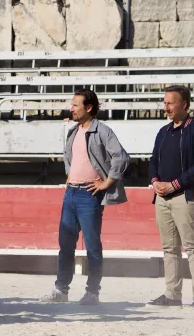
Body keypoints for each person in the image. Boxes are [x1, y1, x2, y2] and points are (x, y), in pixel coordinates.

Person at [41, 89, 129, 305]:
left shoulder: (102, 131)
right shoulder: (73, 131)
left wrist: (107, 182)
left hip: (90, 194)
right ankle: (61, 290)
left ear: (88, 108)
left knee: (92, 246)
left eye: (75, 105)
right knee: (65, 245)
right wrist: (71, 178)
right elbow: (71, 159)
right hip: (71, 192)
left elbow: (121, 157)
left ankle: (92, 293)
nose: (71, 109)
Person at [146, 85, 194, 311]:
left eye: (170, 103)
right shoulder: (163, 132)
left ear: (184, 105)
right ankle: (172, 295)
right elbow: (153, 160)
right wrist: (155, 181)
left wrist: (174, 184)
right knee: (169, 248)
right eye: (164, 103)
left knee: (192, 247)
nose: (166, 107)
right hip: (163, 198)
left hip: (187, 196)